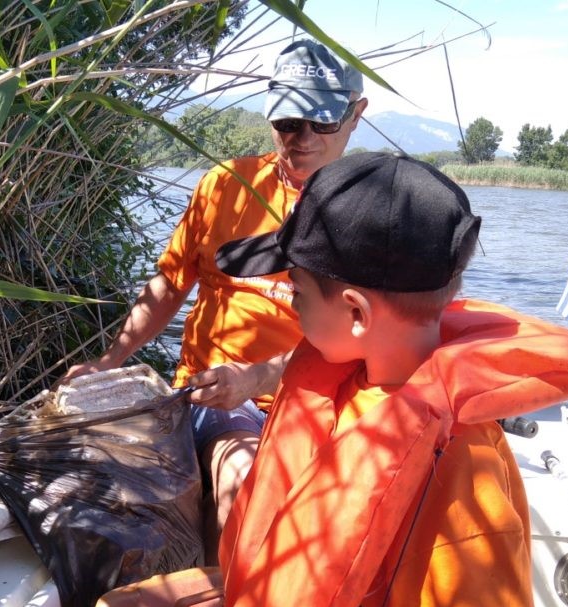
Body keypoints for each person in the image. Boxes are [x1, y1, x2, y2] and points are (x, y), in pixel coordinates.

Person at [148, 152, 568, 607]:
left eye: (294, 293)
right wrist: (253, 377)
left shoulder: (459, 459)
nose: (290, 309)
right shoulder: (345, 367)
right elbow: (299, 375)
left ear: (354, 311)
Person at [64, 39, 368, 563]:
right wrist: (109, 361)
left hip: (310, 399)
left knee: (283, 493)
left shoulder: (365, 210)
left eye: (321, 123)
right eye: (288, 122)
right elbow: (167, 286)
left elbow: (359, 342)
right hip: (213, 397)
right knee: (238, 476)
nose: (301, 139)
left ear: (356, 114)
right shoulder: (225, 185)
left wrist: (258, 376)